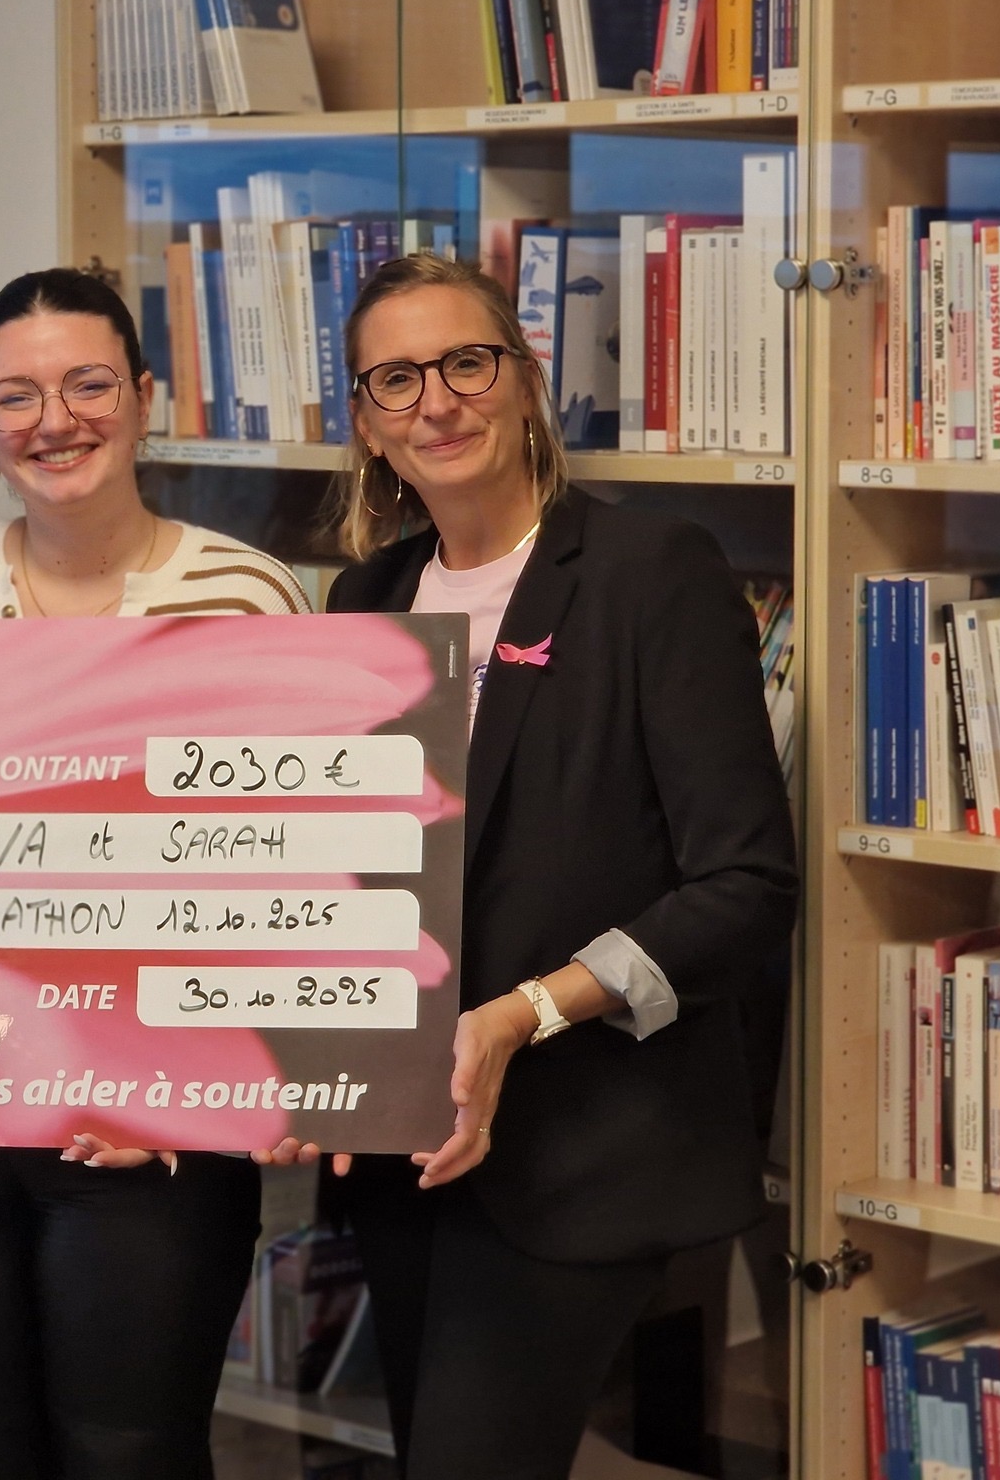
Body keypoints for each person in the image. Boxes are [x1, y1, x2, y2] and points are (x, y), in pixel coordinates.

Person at [290, 251, 797, 1479]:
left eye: (466, 363)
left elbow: (744, 888)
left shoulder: (648, 572)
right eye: (396, 380)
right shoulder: (363, 597)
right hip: (404, 1153)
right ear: (364, 422)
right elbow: (342, 875)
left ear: (525, 379)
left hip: (581, 1149)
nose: (436, 402)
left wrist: (522, 1015)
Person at [0, 267, 307, 1479]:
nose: (54, 420)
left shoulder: (249, 597)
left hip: (150, 1137)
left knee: (131, 1452)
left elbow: (289, 887)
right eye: (17, 396)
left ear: (144, 398)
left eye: (88, 384)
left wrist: (176, 1087)